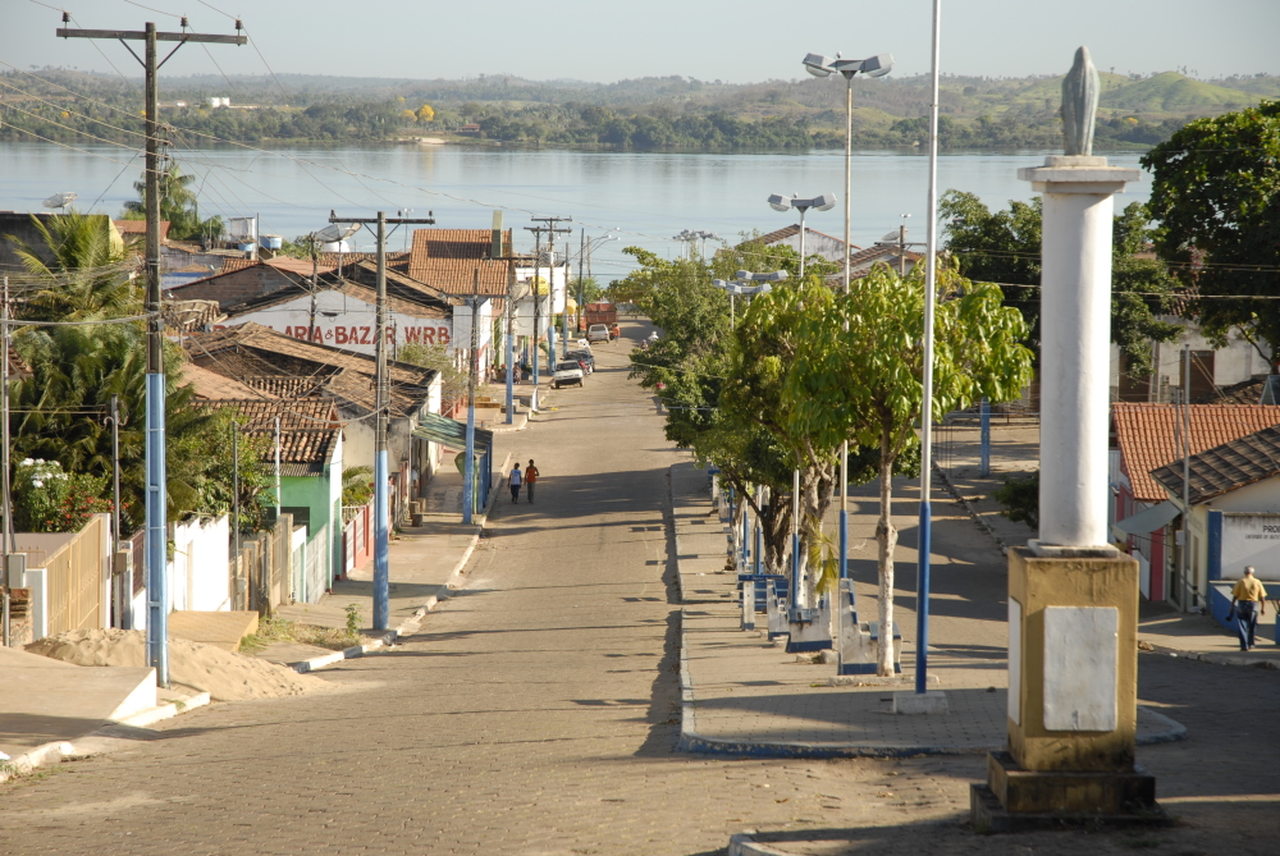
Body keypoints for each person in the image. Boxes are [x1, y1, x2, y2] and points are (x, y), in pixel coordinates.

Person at [1230, 565, 1268, 651]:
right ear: (1252, 572)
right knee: (1252, 625)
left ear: (1244, 572)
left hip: (1242, 604)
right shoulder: (1257, 582)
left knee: (1242, 626)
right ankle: (1251, 643)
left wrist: (1232, 606)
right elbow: (1262, 597)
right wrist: (1263, 608)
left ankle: (1244, 645)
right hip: (1253, 605)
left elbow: (1235, 596)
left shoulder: (1241, 581)